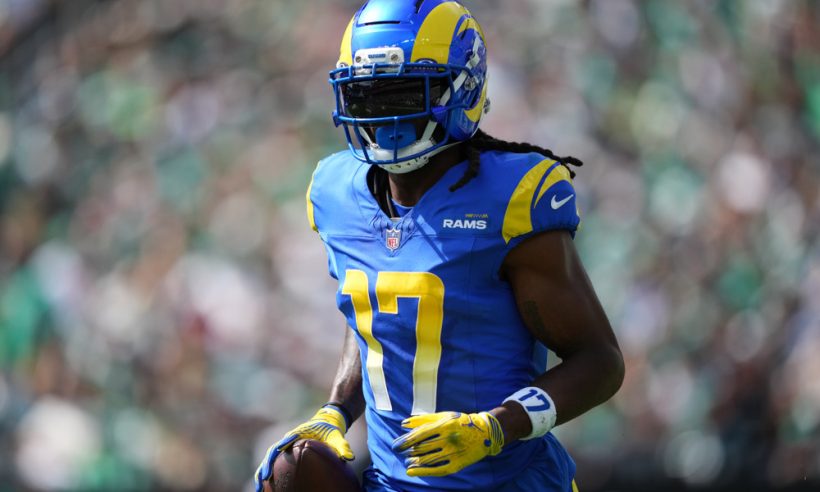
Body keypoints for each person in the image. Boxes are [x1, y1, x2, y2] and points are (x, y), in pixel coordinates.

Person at [255, 1, 624, 490]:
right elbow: (373, 313)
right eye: (368, 95)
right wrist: (337, 409)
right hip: (394, 481)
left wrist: (497, 426)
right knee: (292, 473)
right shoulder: (334, 193)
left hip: (506, 482)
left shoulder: (510, 199)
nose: (387, 117)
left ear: (461, 88)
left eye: (406, 92)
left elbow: (599, 362)